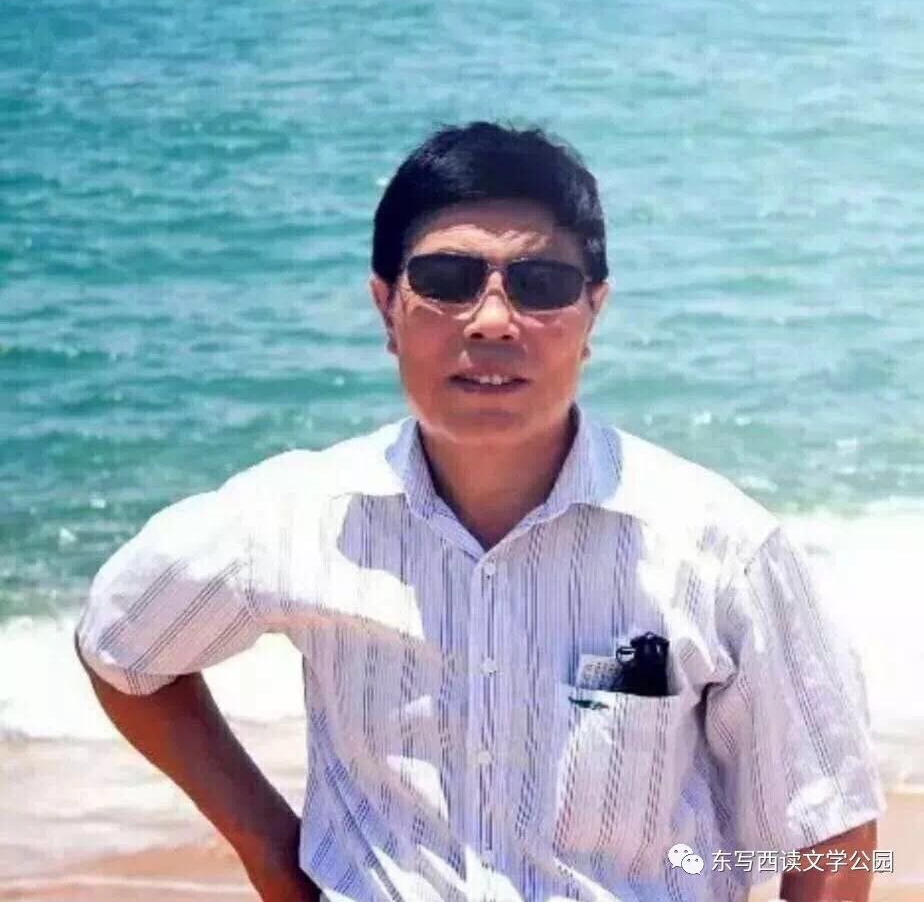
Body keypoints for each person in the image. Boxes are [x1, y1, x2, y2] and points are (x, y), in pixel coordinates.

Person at [75, 121, 886, 902]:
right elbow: (123, 646)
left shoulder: (720, 549)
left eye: (540, 285)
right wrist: (268, 851)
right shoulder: (297, 518)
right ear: (386, 308)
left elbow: (835, 830)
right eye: (447, 280)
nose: (493, 319)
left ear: (593, 312)